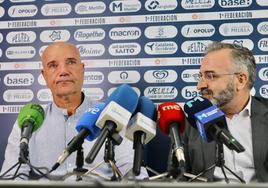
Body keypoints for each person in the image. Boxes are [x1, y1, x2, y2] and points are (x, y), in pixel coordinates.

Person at [0, 42, 147, 180]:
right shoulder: (28, 121)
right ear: (44, 75)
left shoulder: (111, 116)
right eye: (53, 65)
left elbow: (133, 173)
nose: (63, 71)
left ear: (82, 69)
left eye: (70, 62)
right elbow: (13, 177)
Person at [183, 42, 268, 183]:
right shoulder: (191, 118)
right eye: (200, 76)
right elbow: (176, 177)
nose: (200, 85)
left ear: (240, 80)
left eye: (210, 76)